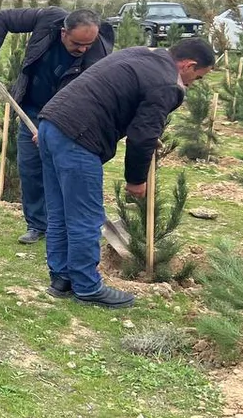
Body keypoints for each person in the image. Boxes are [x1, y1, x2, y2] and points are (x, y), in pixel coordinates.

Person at [38, 39, 214, 308]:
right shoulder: (168, 83)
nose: (193, 83)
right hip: (78, 136)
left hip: (52, 123)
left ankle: (61, 278)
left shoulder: (141, 52)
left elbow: (126, 101)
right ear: (188, 65)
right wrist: (136, 180)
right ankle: (86, 287)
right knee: (86, 217)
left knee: (61, 210)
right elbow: (141, 137)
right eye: (197, 77)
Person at [0, 7, 114, 244]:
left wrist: (54, 131)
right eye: (77, 44)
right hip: (32, 107)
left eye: (87, 45)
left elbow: (90, 101)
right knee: (30, 168)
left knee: (65, 171)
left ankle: (66, 228)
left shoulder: (97, 55)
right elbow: (2, 19)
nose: (82, 49)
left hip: (70, 118)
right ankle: (37, 224)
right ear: (63, 32)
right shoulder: (47, 19)